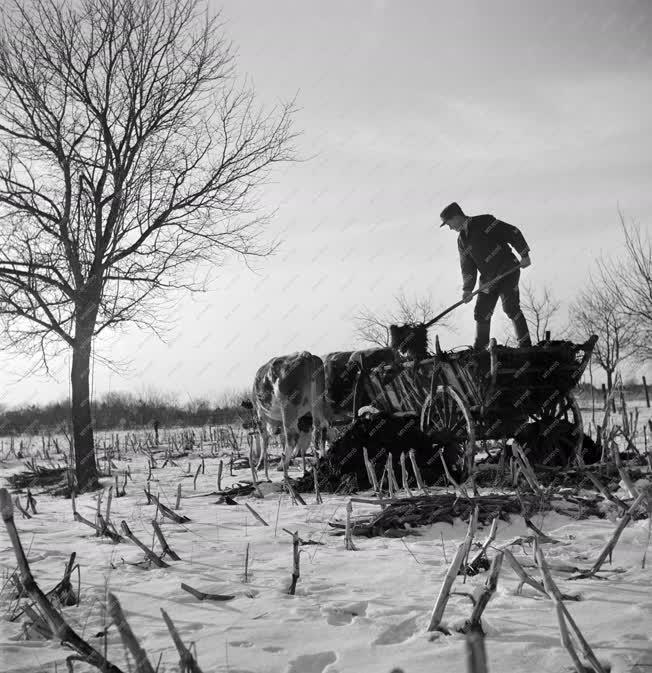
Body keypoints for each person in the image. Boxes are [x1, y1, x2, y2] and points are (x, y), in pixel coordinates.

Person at [439, 201, 532, 350]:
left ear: (456, 217)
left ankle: (525, 345)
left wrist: (524, 254)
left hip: (507, 270)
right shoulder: (462, 240)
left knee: (510, 307)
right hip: (488, 279)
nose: (450, 228)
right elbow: (467, 266)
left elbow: (512, 231)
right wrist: (467, 289)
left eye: (449, 223)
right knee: (481, 312)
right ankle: (480, 349)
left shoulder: (484, 222)